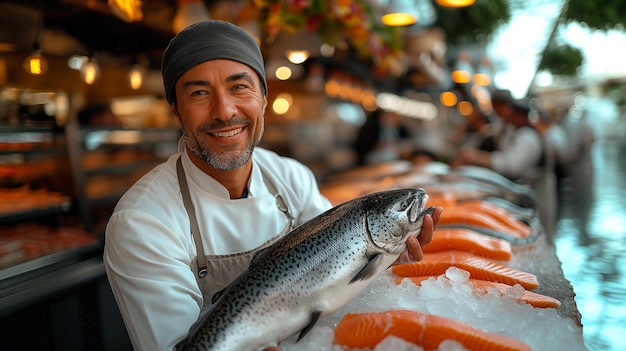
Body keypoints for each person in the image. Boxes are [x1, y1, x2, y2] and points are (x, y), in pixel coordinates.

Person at [103, 20, 441, 351]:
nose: (224, 111)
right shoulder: (142, 222)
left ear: (264, 97)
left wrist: (384, 261)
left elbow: (340, 268)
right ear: (176, 111)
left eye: (239, 87)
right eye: (199, 93)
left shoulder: (291, 176)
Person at [451, 89, 557, 237]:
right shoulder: (508, 129)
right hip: (519, 194)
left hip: (536, 192)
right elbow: (493, 136)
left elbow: (512, 165)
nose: (502, 114)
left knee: (538, 233)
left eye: (506, 110)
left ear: (518, 114)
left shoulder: (528, 136)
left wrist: (476, 157)